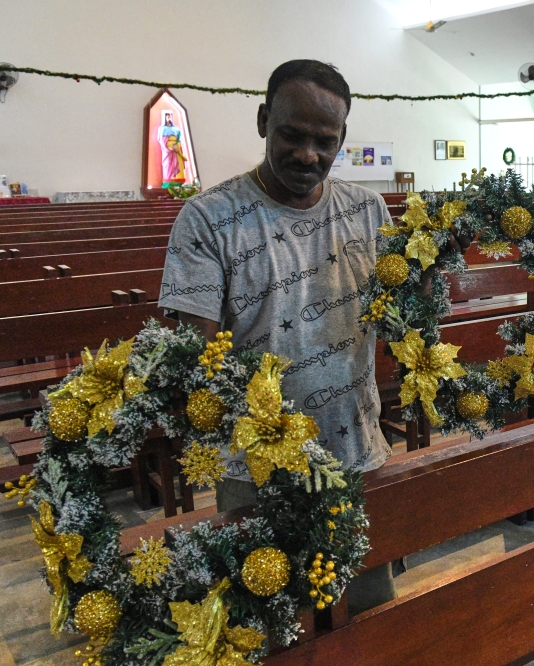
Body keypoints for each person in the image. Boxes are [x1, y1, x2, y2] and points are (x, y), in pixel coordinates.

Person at [159, 60, 456, 614]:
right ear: (263, 120)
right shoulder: (208, 219)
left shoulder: (367, 210)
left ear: (343, 138)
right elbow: (195, 359)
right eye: (291, 135)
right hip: (257, 467)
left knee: (368, 610)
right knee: (271, 620)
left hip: (355, 448)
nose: (307, 155)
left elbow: (394, 320)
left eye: (326, 141)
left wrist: (423, 294)